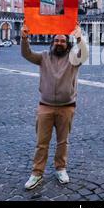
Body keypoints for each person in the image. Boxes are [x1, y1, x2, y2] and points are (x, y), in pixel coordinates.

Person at [22, 24, 89, 190]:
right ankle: (37, 173)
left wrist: (80, 37)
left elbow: (85, 54)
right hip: (45, 106)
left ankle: (61, 168)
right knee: (41, 142)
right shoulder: (43, 57)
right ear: (52, 43)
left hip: (67, 107)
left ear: (68, 44)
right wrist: (24, 39)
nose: (59, 43)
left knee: (63, 142)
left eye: (62, 41)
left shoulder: (74, 59)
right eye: (56, 40)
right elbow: (27, 54)